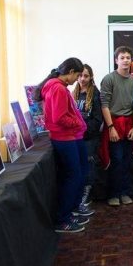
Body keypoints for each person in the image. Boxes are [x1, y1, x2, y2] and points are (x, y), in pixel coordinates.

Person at [34, 58, 92, 233]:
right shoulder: (58, 88)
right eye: (78, 75)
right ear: (71, 72)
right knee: (73, 175)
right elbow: (60, 118)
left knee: (80, 171)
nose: (78, 80)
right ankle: (63, 219)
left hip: (70, 136)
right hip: (65, 137)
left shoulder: (57, 86)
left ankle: (71, 210)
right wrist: (77, 122)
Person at [100, 46, 133, 207]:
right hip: (114, 124)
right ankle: (114, 194)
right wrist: (111, 127)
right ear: (116, 60)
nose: (125, 60)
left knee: (127, 161)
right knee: (116, 160)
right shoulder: (109, 79)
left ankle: (125, 192)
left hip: (129, 124)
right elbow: (104, 105)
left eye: (128, 57)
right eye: (122, 57)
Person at [71, 63, 104, 208]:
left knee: (89, 166)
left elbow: (98, 119)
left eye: (86, 76)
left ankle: (86, 194)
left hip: (89, 138)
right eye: (80, 76)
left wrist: (83, 131)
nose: (82, 79)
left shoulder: (96, 94)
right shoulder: (73, 94)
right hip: (75, 138)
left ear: (91, 77)